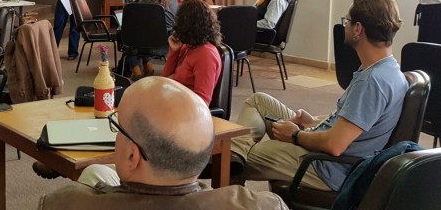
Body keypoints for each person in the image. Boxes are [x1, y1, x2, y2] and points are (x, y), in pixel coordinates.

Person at [231, 0, 408, 192]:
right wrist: (312, 121)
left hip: (325, 168)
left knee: (236, 157)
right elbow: (353, 121)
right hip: (326, 152)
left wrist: (296, 135)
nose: (345, 27)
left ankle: (233, 161)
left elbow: (335, 145)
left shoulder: (373, 82)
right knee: (258, 101)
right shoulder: (386, 69)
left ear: (358, 29)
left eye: (347, 21)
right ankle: (236, 154)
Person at [38, 77, 287, 210]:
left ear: (132, 157)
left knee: (94, 174)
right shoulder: (264, 205)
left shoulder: (63, 203)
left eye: (118, 128)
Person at [162, 0, 222, 105]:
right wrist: (174, 51)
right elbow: (166, 79)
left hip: (187, 111)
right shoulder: (188, 46)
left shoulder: (206, 55)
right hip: (172, 101)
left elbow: (202, 102)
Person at [125, 0, 177, 79]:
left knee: (128, 39)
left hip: (143, 45)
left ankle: (136, 69)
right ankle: (147, 64)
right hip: (164, 45)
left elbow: (137, 27)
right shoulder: (173, 2)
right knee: (150, 34)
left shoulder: (143, 3)